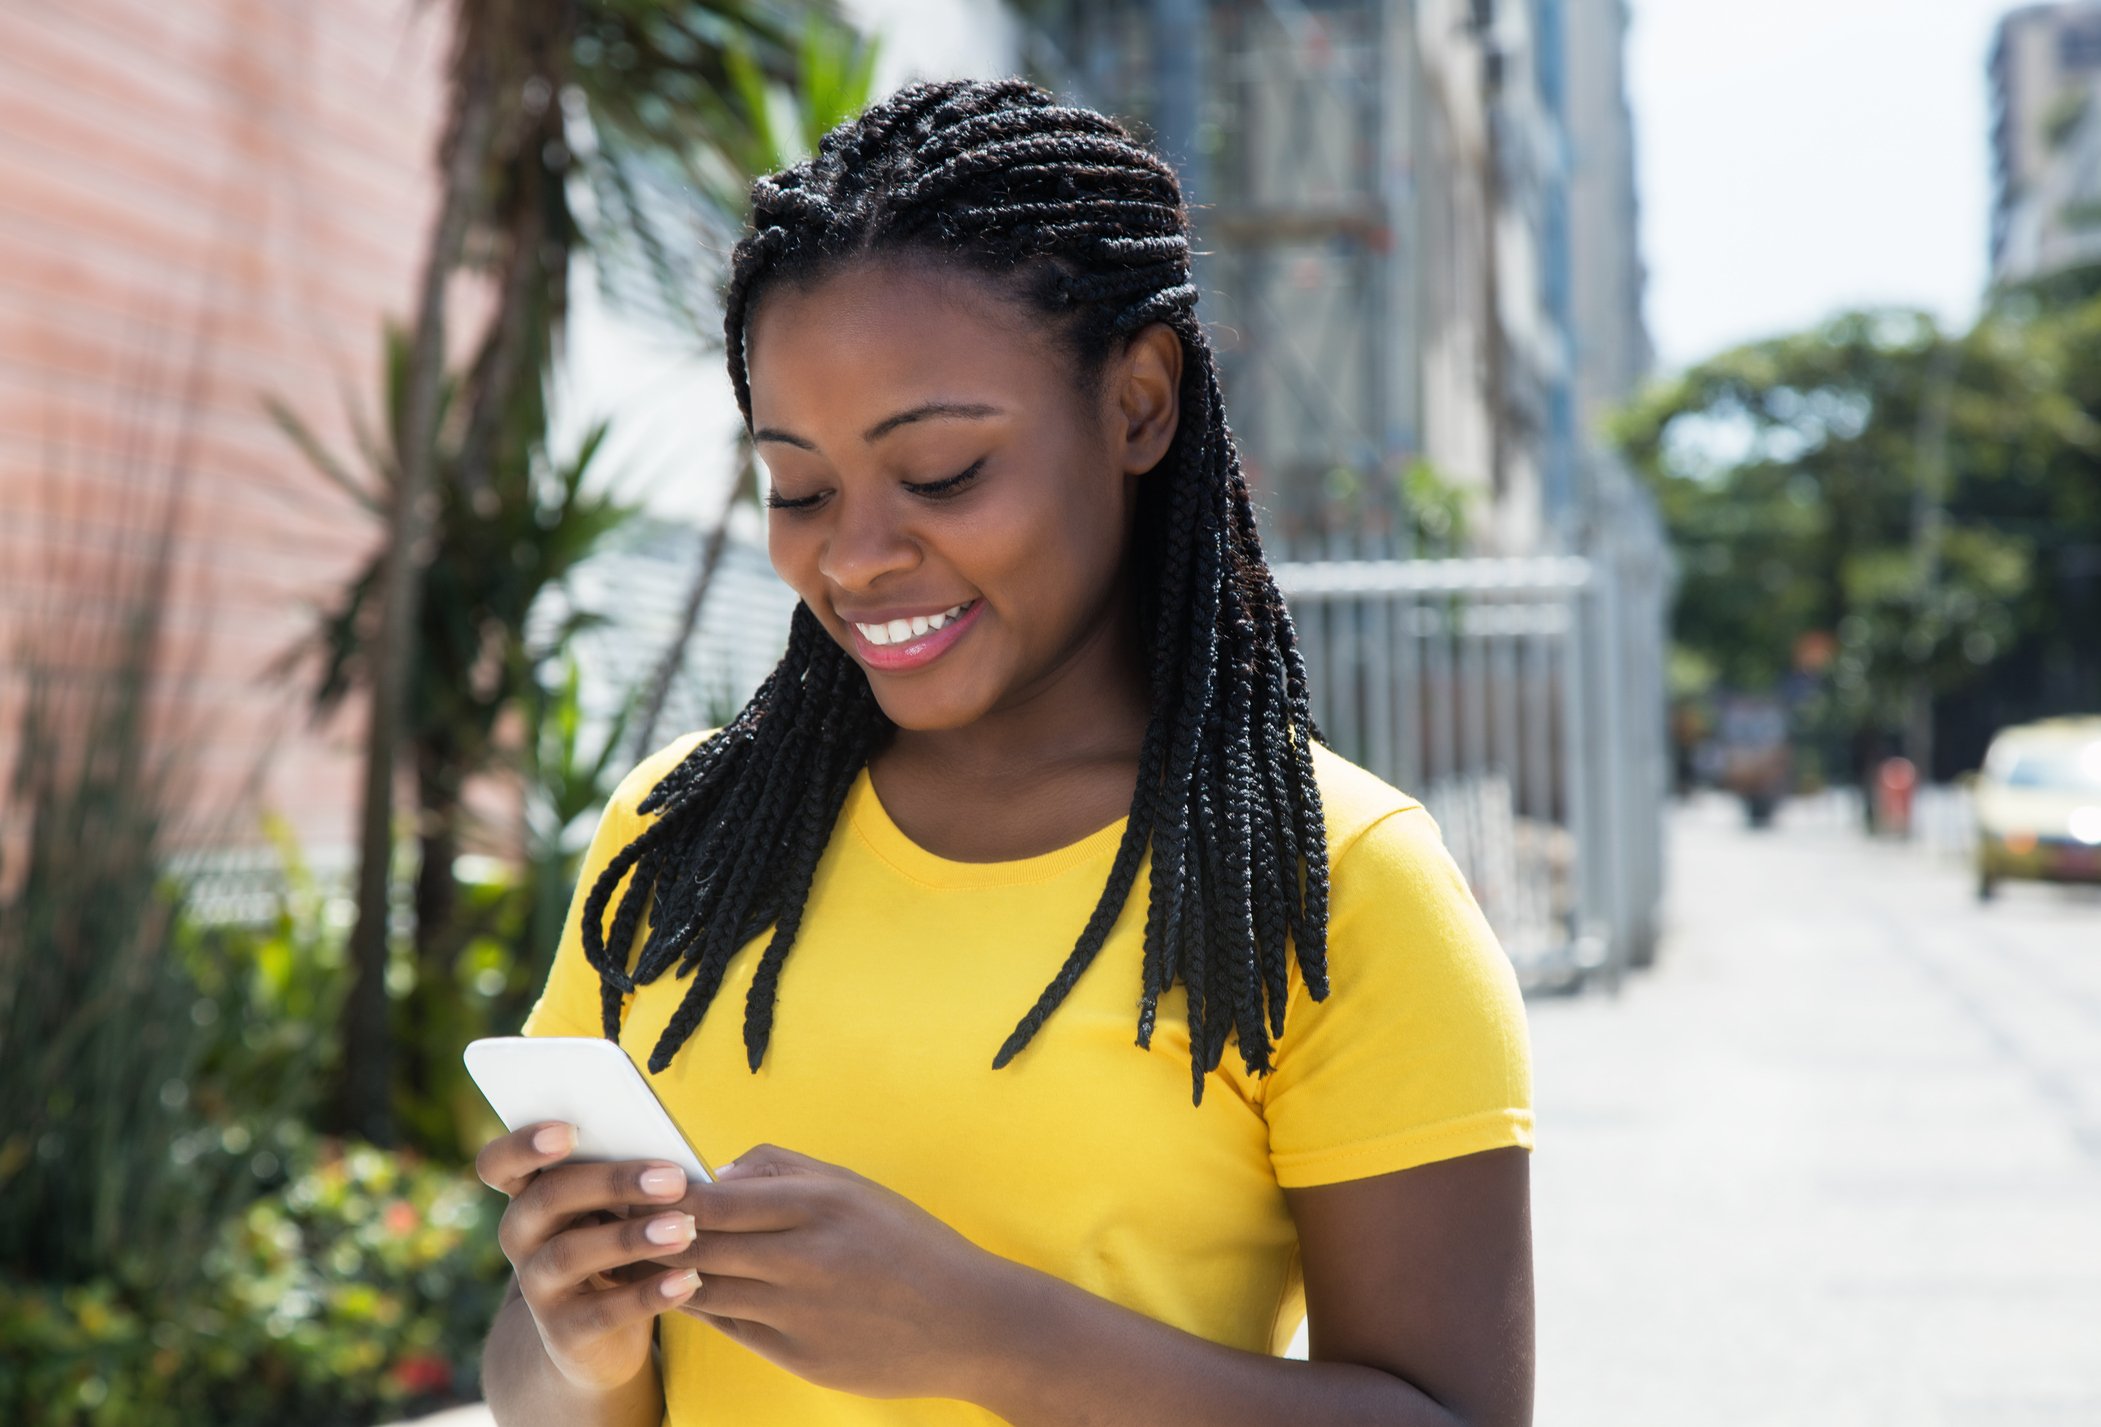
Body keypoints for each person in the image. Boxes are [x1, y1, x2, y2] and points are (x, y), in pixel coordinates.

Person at [474, 77, 1535, 1427]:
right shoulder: (682, 834)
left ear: (1139, 405)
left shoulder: (1334, 881)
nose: (853, 554)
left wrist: (995, 1342)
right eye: (797, 488)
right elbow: (536, 1389)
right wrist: (576, 1341)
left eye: (941, 474)